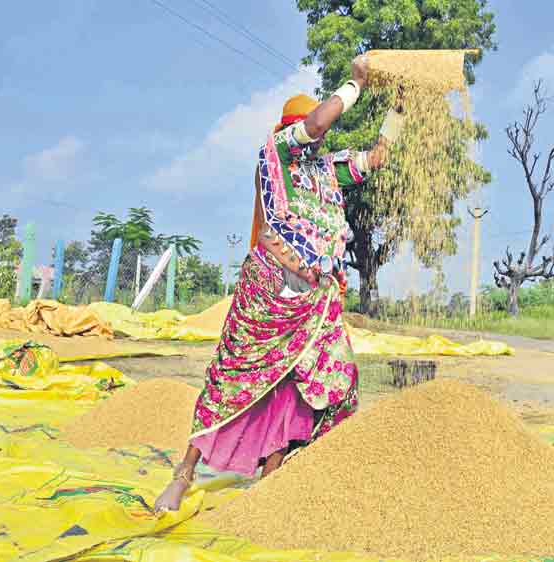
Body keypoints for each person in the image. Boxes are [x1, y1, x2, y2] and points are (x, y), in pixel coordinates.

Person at [154, 55, 404, 513]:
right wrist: (355, 84)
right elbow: (313, 124)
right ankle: (183, 474)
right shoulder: (278, 153)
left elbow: (378, 157)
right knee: (235, 378)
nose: (320, 134)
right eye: (311, 126)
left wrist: (400, 109)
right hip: (269, 293)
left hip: (316, 299)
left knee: (324, 382)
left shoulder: (328, 170)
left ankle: (274, 479)